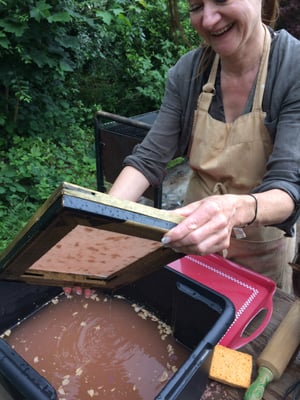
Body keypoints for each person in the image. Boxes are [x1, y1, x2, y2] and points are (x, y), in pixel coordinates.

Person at [66, 0, 300, 297]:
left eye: (221, 0)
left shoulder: (293, 68)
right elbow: (148, 159)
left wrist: (232, 210)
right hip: (191, 238)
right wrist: (101, 224)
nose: (210, 19)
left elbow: (288, 188)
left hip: (262, 245)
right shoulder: (189, 72)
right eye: (196, 6)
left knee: (253, 335)